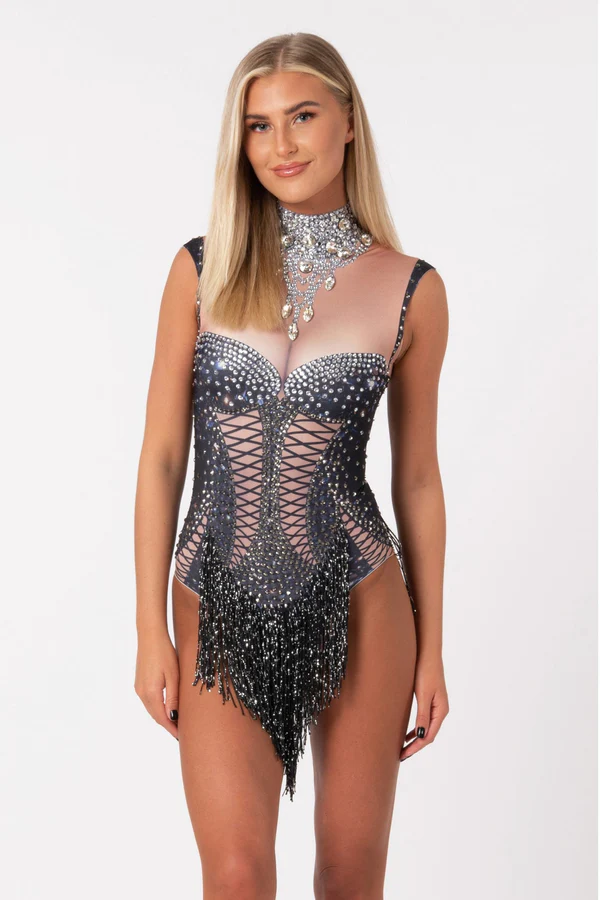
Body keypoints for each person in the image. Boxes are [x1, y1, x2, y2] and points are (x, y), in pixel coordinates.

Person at [134, 31, 449, 899]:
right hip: (216, 594)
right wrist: (148, 629)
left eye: (302, 116)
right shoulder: (201, 269)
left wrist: (432, 650)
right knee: (236, 875)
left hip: (362, 596)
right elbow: (162, 457)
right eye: (259, 125)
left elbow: (418, 479)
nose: (281, 145)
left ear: (349, 121)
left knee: (349, 877)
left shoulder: (413, 289)